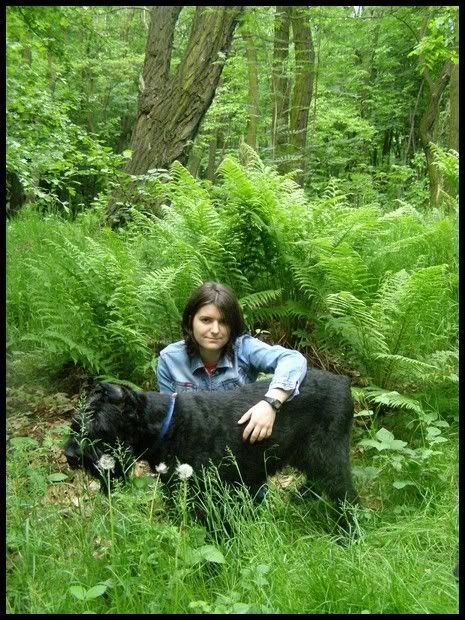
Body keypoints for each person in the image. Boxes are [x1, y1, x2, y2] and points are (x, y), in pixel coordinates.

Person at [156, 281, 307, 445]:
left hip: (241, 443)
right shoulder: (170, 359)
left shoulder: (244, 349)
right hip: (194, 446)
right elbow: (168, 418)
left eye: (223, 322)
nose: (215, 330)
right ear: (191, 321)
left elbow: (293, 359)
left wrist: (271, 403)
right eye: (206, 320)